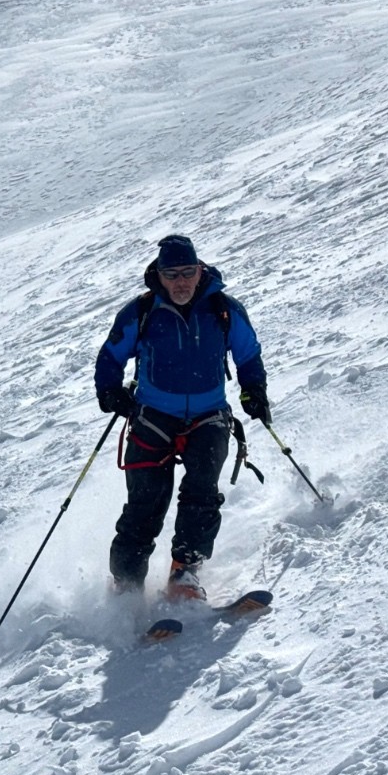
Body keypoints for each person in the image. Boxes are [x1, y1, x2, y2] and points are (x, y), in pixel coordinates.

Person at [93, 234, 270, 601]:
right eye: (171, 274)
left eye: (187, 272)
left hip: (208, 415)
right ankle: (126, 586)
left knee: (202, 494)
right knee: (146, 504)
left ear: (199, 270)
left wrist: (254, 390)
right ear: (158, 275)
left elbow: (248, 355)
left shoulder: (224, 309)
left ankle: (184, 574)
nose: (180, 282)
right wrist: (110, 391)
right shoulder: (141, 312)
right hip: (153, 417)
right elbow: (110, 356)